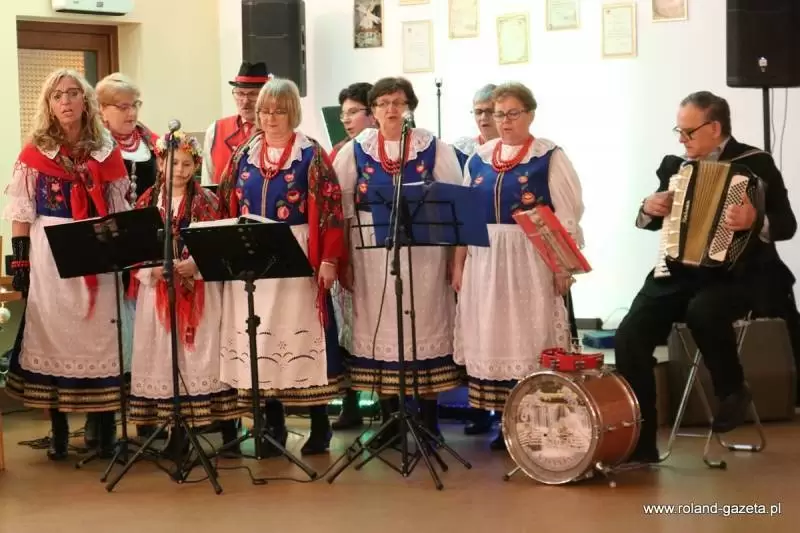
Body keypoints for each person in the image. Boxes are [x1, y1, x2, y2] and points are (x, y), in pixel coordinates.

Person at [614, 91, 797, 463]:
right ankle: (640, 443)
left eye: (688, 132)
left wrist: (755, 220)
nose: (681, 140)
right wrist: (648, 207)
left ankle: (731, 390)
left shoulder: (755, 162)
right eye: (679, 132)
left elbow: (786, 224)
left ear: (715, 127)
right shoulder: (674, 166)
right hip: (678, 273)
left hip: (740, 274)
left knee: (704, 311)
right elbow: (653, 221)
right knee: (630, 334)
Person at [3, 68, 132, 460]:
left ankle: (104, 429)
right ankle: (58, 429)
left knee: (102, 334)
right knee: (55, 333)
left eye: (73, 93)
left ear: (85, 100)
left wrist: (122, 254)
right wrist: (21, 262)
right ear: (49, 104)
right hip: (51, 248)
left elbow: (118, 207)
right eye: (57, 95)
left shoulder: (105, 149)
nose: (65, 101)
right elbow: (21, 211)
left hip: (97, 242)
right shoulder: (34, 153)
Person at [450, 82, 584, 450]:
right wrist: (458, 264)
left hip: (529, 258)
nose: (505, 121)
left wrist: (562, 267)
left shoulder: (549, 156)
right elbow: (465, 216)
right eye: (499, 114)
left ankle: (536, 424)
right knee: (493, 336)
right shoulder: (479, 158)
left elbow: (567, 216)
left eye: (513, 113)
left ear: (530, 114)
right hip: (484, 259)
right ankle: (504, 423)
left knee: (528, 337)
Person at [217, 77, 346, 456]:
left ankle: (320, 424)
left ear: (293, 113)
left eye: (279, 111)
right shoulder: (243, 154)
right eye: (265, 111)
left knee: (300, 337)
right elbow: (225, 203)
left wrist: (329, 259)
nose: (270, 118)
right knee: (261, 339)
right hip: (252, 258)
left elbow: (332, 209)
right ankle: (272, 425)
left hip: (297, 255)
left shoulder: (311, 154)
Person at [333, 77, 464, 444]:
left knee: (424, 325)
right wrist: (344, 260)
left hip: (424, 255)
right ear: (373, 110)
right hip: (372, 256)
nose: (391, 109)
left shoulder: (433, 148)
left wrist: (455, 260)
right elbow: (343, 210)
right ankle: (391, 421)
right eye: (383, 103)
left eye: (398, 102)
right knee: (381, 329)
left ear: (409, 108)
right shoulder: (355, 150)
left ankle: (429, 423)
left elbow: (456, 205)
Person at [127, 130, 243, 454]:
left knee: (201, 353)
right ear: (161, 163)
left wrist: (196, 265)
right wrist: (151, 269)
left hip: (200, 290)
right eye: (173, 163)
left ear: (196, 166)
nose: (179, 170)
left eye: (186, 164)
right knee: (165, 354)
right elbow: (134, 246)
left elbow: (218, 244)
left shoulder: (208, 202)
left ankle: (221, 428)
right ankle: (174, 432)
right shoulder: (146, 201)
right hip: (158, 292)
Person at [89, 71, 160, 444]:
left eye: (135, 105)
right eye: (122, 106)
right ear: (102, 110)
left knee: (146, 332)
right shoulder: (92, 145)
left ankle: (147, 417)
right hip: (109, 247)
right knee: (108, 334)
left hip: (146, 244)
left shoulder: (152, 142)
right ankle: (100, 419)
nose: (131, 112)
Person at [329, 82, 376, 431]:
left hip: (379, 242)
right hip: (352, 242)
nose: (346, 120)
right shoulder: (340, 152)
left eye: (353, 112)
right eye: (343, 113)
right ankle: (351, 401)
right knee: (348, 324)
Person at [201, 61, 269, 185]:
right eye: (240, 93)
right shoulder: (215, 130)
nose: (245, 101)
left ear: (267, 96)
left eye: (253, 94)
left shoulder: (275, 132)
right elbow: (207, 180)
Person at [451, 84, 500, 171]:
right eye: (478, 112)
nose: (483, 117)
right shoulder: (463, 151)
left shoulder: (516, 150)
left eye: (490, 111)